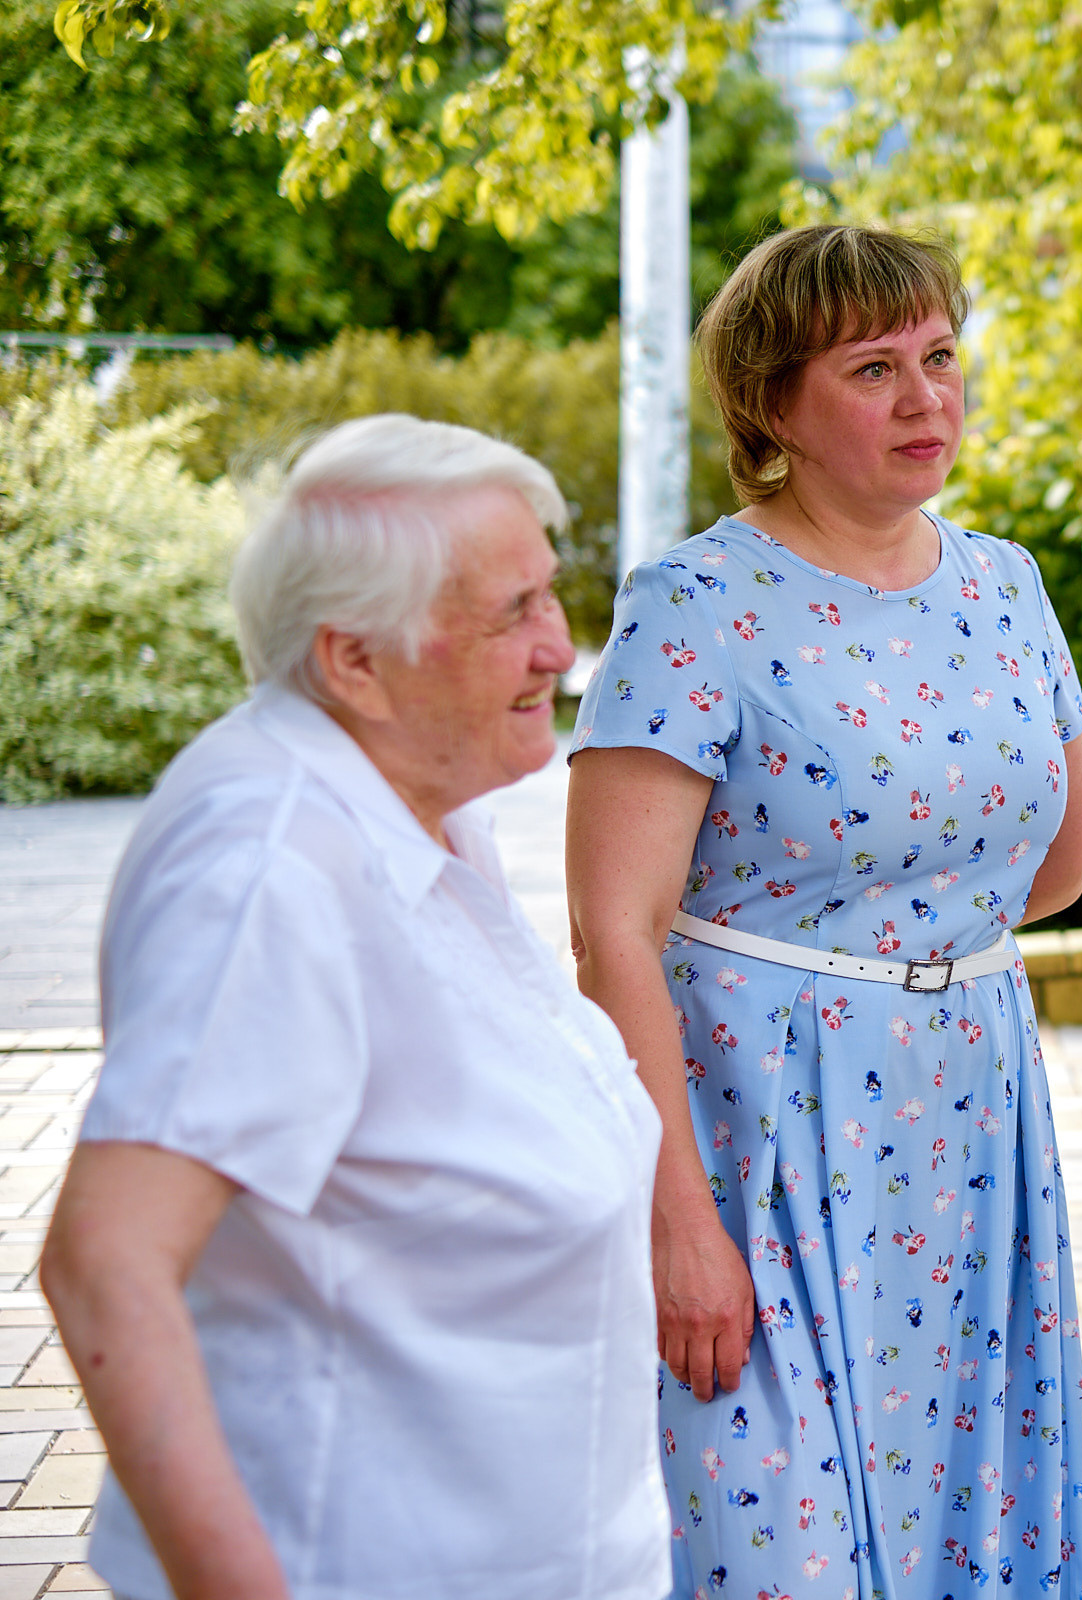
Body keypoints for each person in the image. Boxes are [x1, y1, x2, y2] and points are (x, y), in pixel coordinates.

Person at [39, 416, 668, 1600]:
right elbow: (103, 1264)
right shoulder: (268, 867)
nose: (561, 647)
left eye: (551, 596)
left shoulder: (416, 795)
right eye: (512, 614)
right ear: (355, 661)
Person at [567, 223, 1082, 1599]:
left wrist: (918, 957)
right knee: (771, 1539)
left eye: (939, 356)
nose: (928, 395)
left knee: (969, 1523)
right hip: (761, 1129)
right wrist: (674, 1212)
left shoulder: (1008, 583)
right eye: (875, 368)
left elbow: (1057, 868)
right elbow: (610, 930)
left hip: (971, 1113)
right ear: (773, 407)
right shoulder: (692, 603)